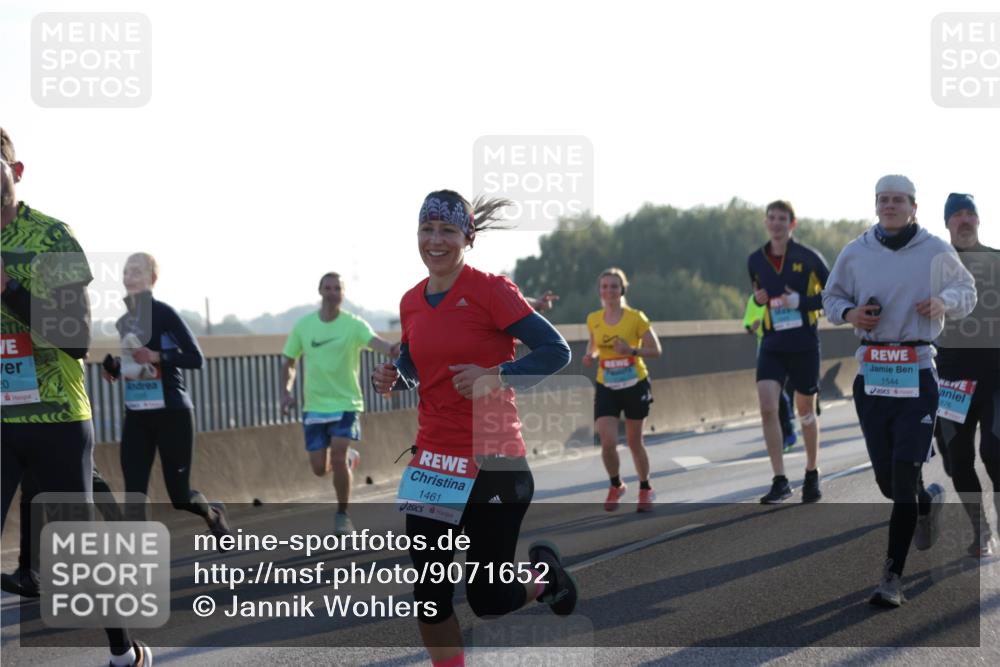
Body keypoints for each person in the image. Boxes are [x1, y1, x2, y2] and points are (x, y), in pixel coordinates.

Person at [372, 190, 575, 667]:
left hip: (494, 461)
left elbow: (556, 350)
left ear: (468, 236)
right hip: (435, 461)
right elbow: (414, 362)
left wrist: (495, 376)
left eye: (446, 230)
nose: (435, 240)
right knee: (429, 592)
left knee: (488, 598)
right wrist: (395, 377)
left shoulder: (491, 291)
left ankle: (545, 579)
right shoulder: (411, 302)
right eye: (427, 229)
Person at [1, 128, 151, 666]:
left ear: (16, 174)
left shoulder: (50, 237)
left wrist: (10, 289)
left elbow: (75, 337)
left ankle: (122, 649)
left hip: (56, 418)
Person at [823, 175, 976, 607]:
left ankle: (892, 577)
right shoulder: (855, 252)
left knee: (905, 476)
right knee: (890, 483)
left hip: (917, 371)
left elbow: (967, 289)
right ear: (875, 206)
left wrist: (944, 302)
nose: (889, 206)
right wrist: (852, 312)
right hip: (872, 375)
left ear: (913, 207)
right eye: (883, 200)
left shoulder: (934, 249)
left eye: (898, 200)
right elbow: (830, 299)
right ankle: (927, 504)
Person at [100, 252, 231, 544]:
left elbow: (196, 358)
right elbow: (138, 367)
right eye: (126, 272)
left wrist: (158, 355)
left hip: (172, 413)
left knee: (180, 496)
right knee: (134, 493)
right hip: (137, 414)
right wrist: (115, 368)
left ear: (152, 279)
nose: (128, 277)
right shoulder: (124, 322)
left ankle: (212, 513)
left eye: (136, 271)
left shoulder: (164, 314)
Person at [280, 272, 398, 535]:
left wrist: (392, 348)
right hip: (315, 406)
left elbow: (376, 342)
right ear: (320, 290)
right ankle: (347, 460)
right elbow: (289, 360)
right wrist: (286, 392)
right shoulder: (304, 326)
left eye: (338, 288)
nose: (333, 292)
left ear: (343, 294)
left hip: (347, 403)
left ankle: (342, 515)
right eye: (328, 287)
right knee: (319, 469)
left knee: (338, 453)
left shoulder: (353, 325)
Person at [747, 200, 829, 503]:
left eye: (782, 218)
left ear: (792, 224)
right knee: (767, 406)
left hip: (804, 344)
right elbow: (758, 297)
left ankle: (811, 471)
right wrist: (757, 299)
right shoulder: (755, 259)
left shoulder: (808, 258)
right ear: (766, 222)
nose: (776, 223)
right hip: (771, 343)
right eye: (771, 218)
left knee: (805, 409)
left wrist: (802, 303)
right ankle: (780, 479)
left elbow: (833, 293)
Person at [933, 193, 1000, 559]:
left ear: (978, 220)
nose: (964, 219)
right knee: (957, 460)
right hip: (952, 381)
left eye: (969, 212)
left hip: (996, 378)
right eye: (956, 214)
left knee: (995, 453)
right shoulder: (933, 265)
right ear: (947, 223)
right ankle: (981, 530)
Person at [582, 268, 662, 512]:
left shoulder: (636, 318)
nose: (609, 291)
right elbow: (594, 344)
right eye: (605, 286)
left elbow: (656, 350)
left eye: (614, 286)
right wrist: (590, 354)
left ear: (622, 290)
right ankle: (616, 484)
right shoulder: (594, 318)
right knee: (607, 442)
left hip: (634, 383)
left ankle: (645, 487)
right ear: (600, 291)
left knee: (634, 441)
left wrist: (631, 350)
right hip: (606, 384)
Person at [743, 294, 797, 451]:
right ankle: (786, 433)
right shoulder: (754, 299)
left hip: (787, 346)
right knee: (775, 394)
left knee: (784, 390)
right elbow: (746, 323)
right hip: (765, 348)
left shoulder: (784, 294)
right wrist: (751, 327)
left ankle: (788, 427)